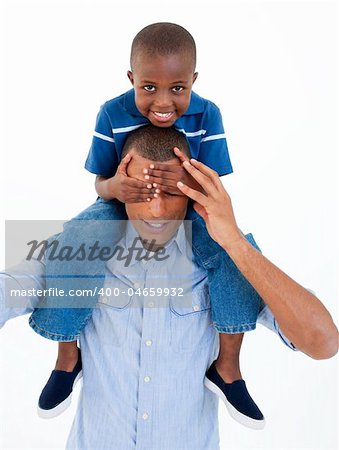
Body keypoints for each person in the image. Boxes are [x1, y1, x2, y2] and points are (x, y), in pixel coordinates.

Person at [0, 126, 337, 450]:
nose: (157, 210)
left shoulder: (225, 266)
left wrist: (234, 241)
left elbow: (323, 342)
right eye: (144, 192)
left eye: (172, 192)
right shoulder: (77, 255)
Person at [27, 22, 267, 427]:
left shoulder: (209, 115)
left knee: (235, 253)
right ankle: (68, 357)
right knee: (73, 239)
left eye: (178, 88)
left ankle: (227, 366)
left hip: (189, 203)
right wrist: (116, 187)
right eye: (149, 87)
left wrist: (185, 184)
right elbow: (100, 182)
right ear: (131, 78)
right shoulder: (111, 113)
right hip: (123, 201)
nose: (163, 101)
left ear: (193, 80)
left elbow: (214, 184)